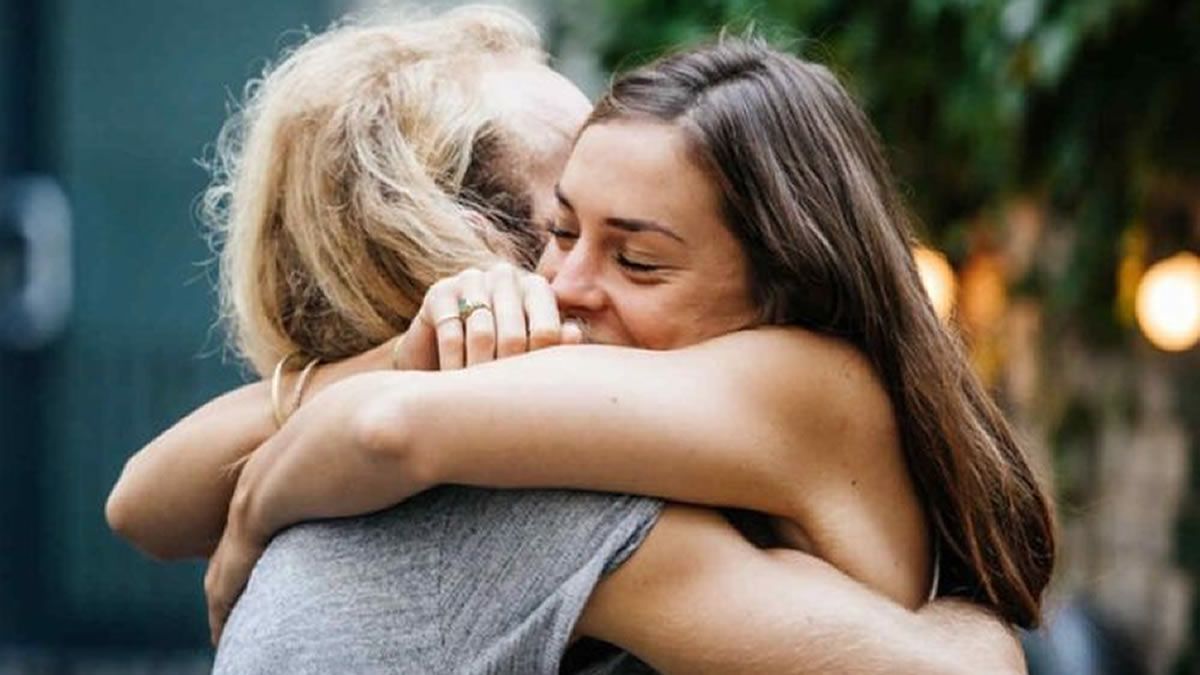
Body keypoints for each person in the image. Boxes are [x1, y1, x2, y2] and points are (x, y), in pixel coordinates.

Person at [107, 7, 1043, 674]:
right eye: (559, 226)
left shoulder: (782, 379)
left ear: (783, 278)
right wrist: (408, 353)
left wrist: (251, 518)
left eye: (637, 256)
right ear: (459, 240)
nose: (565, 282)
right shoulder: (531, 468)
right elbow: (144, 500)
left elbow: (381, 429)